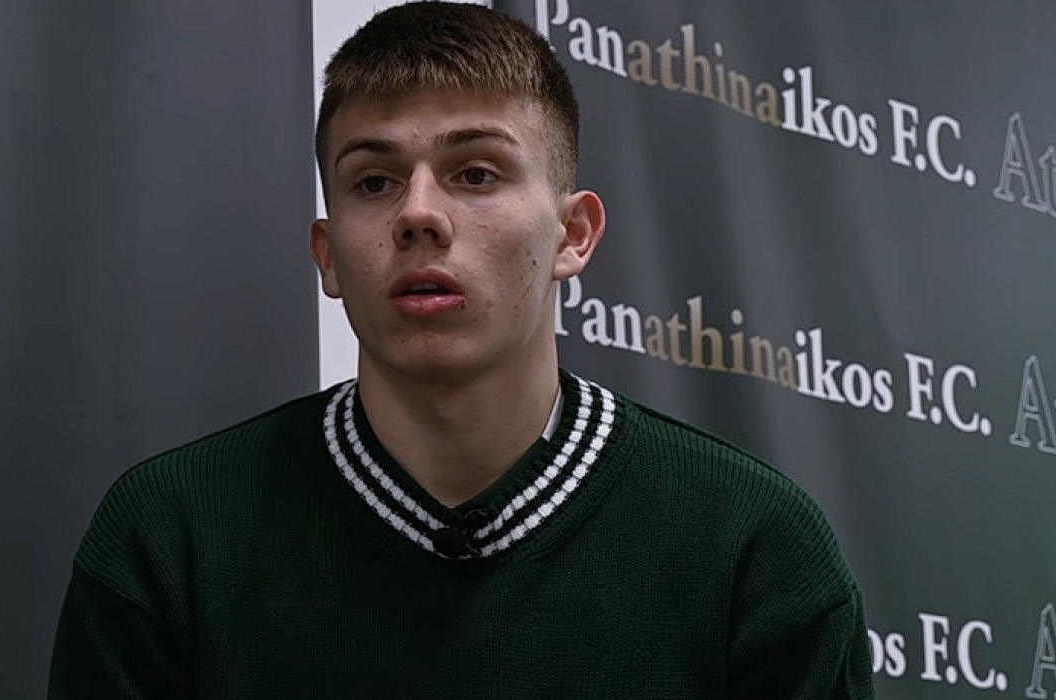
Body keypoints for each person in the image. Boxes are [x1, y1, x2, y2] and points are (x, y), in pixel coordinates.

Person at [47, 2, 875, 698]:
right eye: (374, 181)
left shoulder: (754, 550)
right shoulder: (171, 539)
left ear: (574, 235)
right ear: (328, 255)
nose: (419, 214)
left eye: (476, 173)